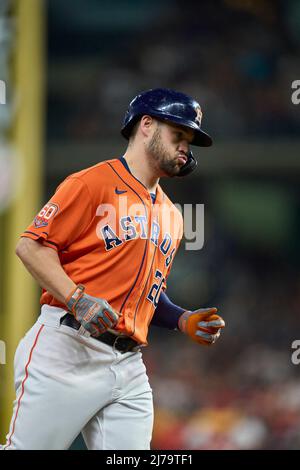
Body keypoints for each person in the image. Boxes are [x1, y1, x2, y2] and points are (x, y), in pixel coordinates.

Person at [2, 88, 225, 450]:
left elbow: (144, 292)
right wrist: (78, 299)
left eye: (190, 141)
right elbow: (31, 245)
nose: (186, 147)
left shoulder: (172, 217)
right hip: (67, 350)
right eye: (178, 135)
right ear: (147, 126)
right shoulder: (90, 183)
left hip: (128, 365)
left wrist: (181, 318)